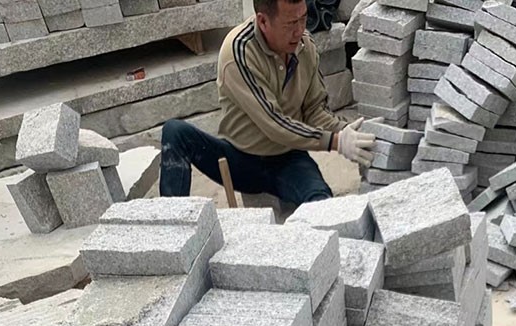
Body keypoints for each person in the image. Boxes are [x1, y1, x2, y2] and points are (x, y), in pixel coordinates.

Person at [159, 0, 375, 204]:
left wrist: (351, 132)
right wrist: (335, 142)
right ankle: (173, 222)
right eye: (290, 23)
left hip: (287, 158)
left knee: (322, 203)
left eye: (303, 18)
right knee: (175, 132)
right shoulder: (239, 50)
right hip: (239, 159)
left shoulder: (304, 46)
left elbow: (314, 111)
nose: (299, 30)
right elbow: (273, 123)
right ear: (263, 21)